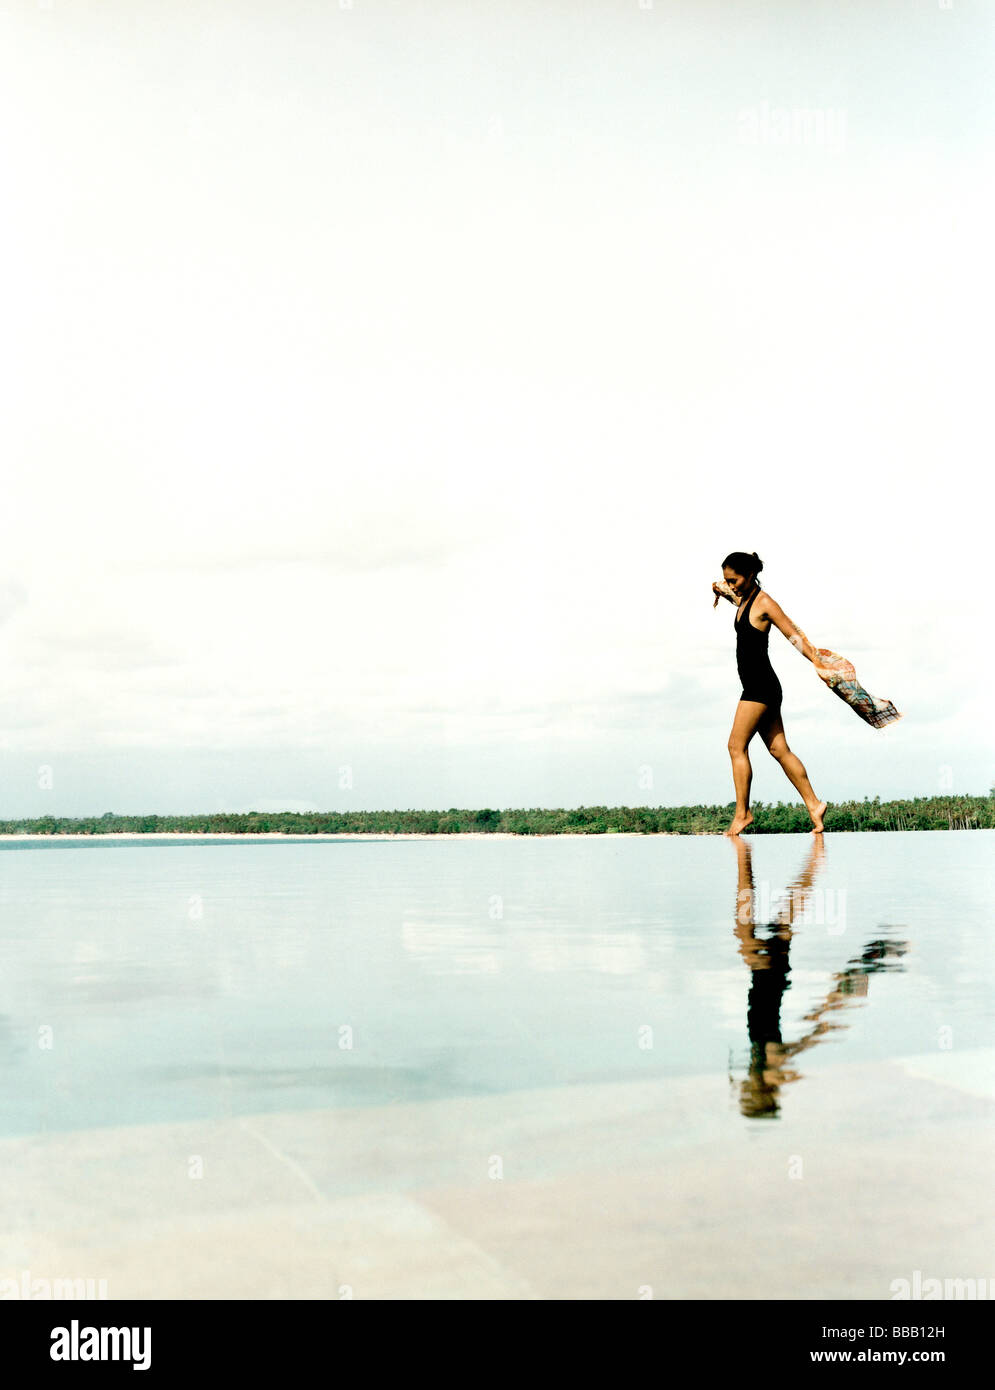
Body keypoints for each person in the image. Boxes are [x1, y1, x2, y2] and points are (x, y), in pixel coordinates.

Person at [712, 550, 827, 836]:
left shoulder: (764, 603)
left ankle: (743, 814)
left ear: (751, 575)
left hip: (759, 688)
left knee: (735, 747)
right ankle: (814, 805)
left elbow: (793, 634)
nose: (732, 585)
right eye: (728, 580)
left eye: (735, 580)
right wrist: (720, 589)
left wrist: (818, 661)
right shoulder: (744, 598)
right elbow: (732, 596)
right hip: (762, 688)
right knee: (779, 749)